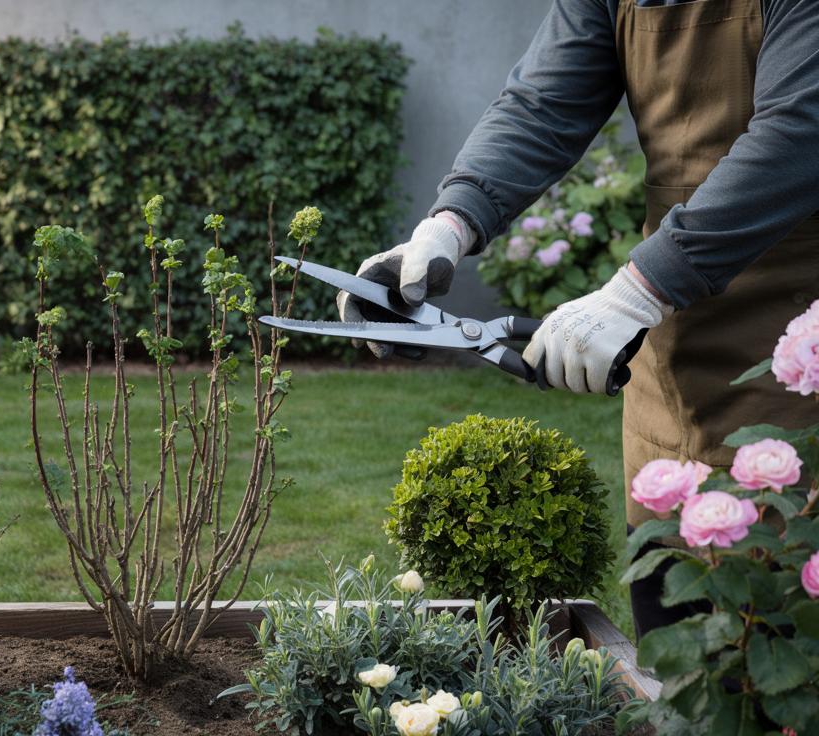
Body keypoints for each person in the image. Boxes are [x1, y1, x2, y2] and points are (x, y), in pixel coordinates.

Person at [339, 0, 819, 638]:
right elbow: (541, 105)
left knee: (782, 648)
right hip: (672, 359)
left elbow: (799, 133)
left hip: (795, 347)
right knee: (677, 643)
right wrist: (451, 223)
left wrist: (638, 290)